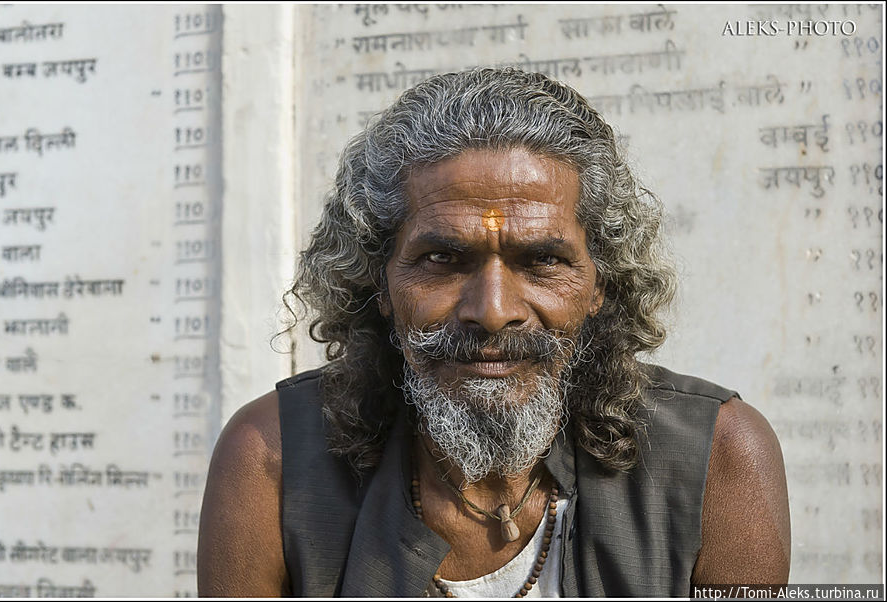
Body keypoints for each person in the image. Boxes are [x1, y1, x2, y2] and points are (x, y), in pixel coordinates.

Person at [197, 68, 790, 598]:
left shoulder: (719, 457)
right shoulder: (271, 460)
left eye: (542, 261)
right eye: (442, 259)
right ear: (378, 280)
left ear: (600, 282)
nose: (494, 310)